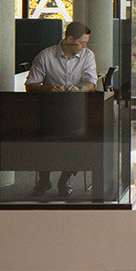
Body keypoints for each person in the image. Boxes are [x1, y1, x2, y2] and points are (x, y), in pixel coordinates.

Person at [25, 21, 96, 199]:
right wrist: (48, 89)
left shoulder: (87, 55)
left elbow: (91, 83)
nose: (84, 46)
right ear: (69, 38)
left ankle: (64, 180)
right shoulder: (46, 56)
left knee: (79, 143)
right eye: (81, 42)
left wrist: (80, 89)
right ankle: (44, 180)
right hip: (49, 112)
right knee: (43, 142)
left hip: (76, 111)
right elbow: (30, 85)